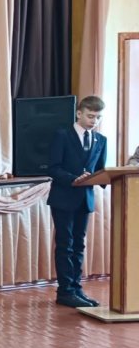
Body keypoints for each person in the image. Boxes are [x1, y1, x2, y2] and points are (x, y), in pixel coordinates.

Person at [46, 95, 107, 308]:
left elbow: (99, 170)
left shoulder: (101, 140)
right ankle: (65, 291)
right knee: (66, 244)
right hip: (63, 197)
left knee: (79, 245)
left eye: (97, 117)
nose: (94, 121)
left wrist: (106, 179)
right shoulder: (62, 135)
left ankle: (76, 288)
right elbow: (53, 168)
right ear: (79, 113)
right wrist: (74, 179)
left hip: (85, 199)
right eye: (90, 116)